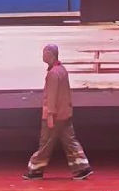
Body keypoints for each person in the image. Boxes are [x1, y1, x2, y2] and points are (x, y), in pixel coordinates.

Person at [23, 44, 94, 180]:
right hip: (64, 113)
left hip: (55, 116)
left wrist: (50, 114)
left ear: (50, 54)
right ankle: (82, 167)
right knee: (70, 141)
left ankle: (36, 170)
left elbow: (52, 96)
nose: (42, 55)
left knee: (46, 143)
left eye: (44, 52)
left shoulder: (53, 73)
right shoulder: (62, 70)